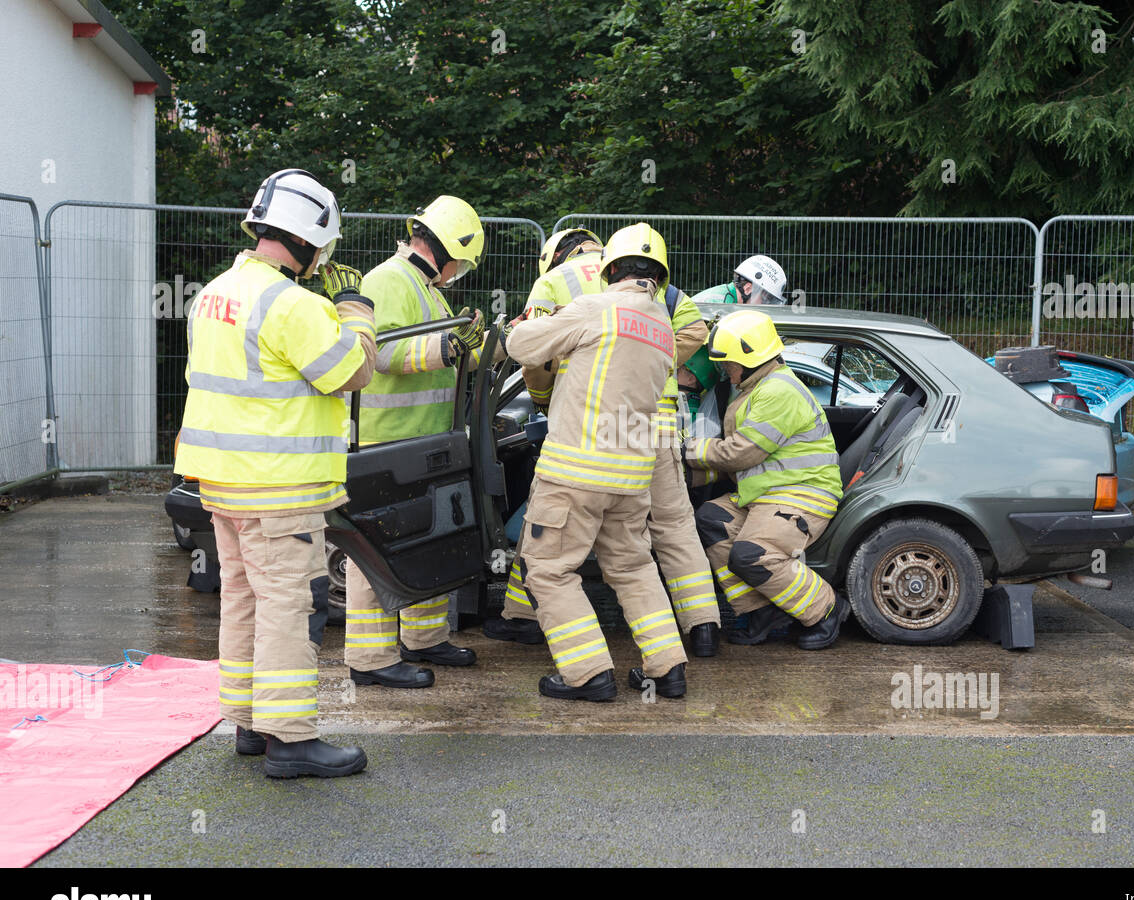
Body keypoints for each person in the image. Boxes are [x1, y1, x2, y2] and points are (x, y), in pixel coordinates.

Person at [174, 168, 375, 778]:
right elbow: (353, 371)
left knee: (243, 598)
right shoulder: (293, 304)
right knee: (290, 603)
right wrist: (356, 310)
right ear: (310, 238)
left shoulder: (212, 293)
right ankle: (290, 740)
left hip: (222, 484)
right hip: (279, 488)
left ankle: (249, 724)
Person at [487, 227, 722, 657]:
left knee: (548, 557)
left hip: (582, 451)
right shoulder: (663, 318)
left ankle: (555, 644)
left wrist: (546, 397)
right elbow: (695, 332)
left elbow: (530, 354)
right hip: (648, 440)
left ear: (610, 269)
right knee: (663, 538)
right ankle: (688, 644)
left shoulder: (569, 292)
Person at [344, 196, 487, 688]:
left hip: (422, 440)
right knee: (376, 555)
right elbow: (379, 353)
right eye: (462, 262)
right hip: (388, 443)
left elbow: (430, 350)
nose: (459, 272)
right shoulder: (389, 279)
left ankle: (424, 640)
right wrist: (448, 348)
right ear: (450, 249)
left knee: (426, 543)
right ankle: (370, 660)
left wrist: (467, 348)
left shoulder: (424, 287)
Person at [683, 309, 852, 651]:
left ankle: (825, 608)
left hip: (803, 496)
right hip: (767, 495)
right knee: (711, 521)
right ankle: (760, 610)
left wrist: (687, 449)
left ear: (748, 359)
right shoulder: (756, 386)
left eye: (727, 362)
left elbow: (741, 453)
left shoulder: (778, 391)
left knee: (752, 553)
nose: (724, 369)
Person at [694, 254, 787, 305]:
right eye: (765, 299)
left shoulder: (730, 300)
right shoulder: (719, 306)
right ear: (748, 289)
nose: (765, 305)